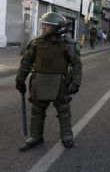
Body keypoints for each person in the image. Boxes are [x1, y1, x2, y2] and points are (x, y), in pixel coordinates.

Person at [15, 12, 82, 151]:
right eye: (43, 24)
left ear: (58, 28)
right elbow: (26, 62)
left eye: (47, 25)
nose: (44, 27)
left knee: (63, 110)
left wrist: (76, 82)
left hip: (60, 83)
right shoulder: (36, 42)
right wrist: (20, 79)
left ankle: (67, 136)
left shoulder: (68, 44)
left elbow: (76, 65)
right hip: (39, 81)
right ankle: (36, 136)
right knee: (37, 110)